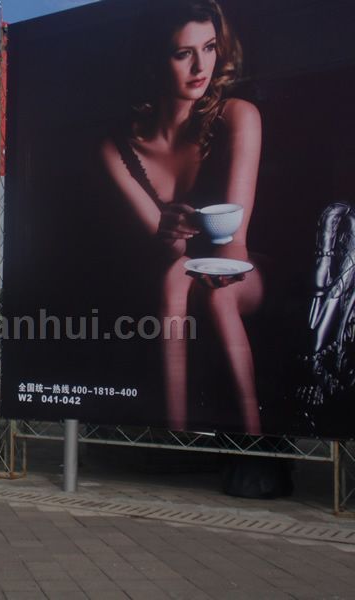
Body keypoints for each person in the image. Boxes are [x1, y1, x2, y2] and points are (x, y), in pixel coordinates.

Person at [100, 0, 264, 434]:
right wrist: (169, 233)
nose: (200, 67)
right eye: (182, 53)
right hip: (174, 271)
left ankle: (254, 436)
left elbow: (235, 245)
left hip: (246, 267)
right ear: (155, 60)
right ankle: (175, 433)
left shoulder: (238, 117)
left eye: (208, 48)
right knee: (175, 274)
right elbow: (168, 250)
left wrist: (183, 256)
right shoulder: (117, 150)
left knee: (215, 295)